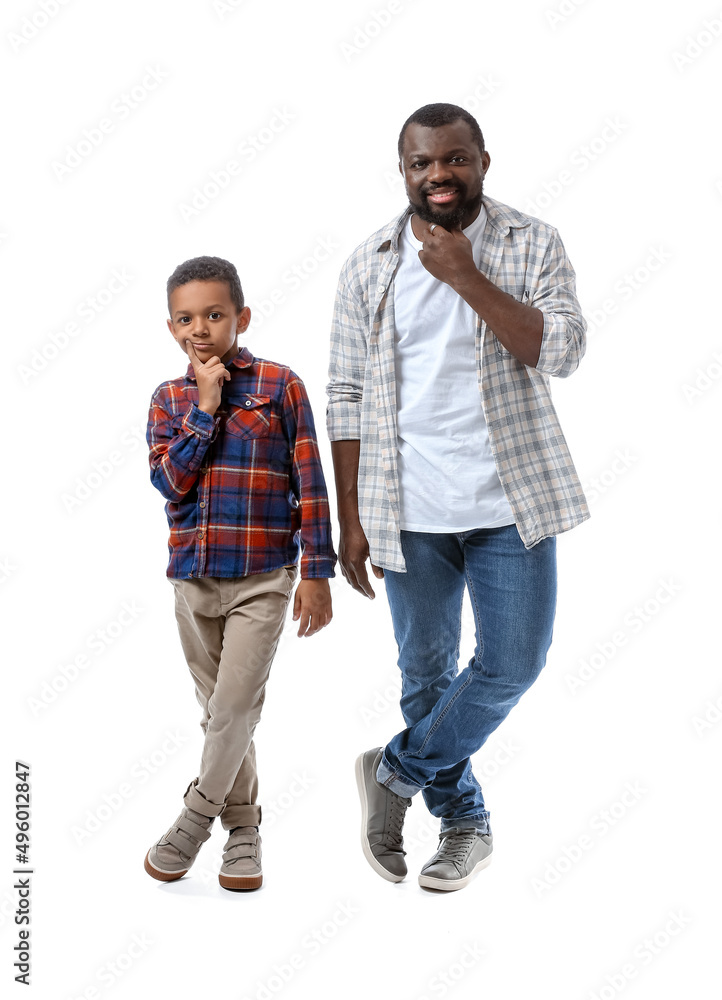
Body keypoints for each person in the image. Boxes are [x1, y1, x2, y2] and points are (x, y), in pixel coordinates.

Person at [327, 103, 589, 892]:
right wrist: (350, 518)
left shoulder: (531, 242)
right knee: (427, 675)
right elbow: (344, 396)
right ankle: (464, 823)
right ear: (403, 170)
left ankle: (394, 770)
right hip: (406, 506)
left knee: (512, 662)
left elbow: (565, 350)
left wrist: (465, 276)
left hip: (513, 501)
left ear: (482, 160)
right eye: (420, 164)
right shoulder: (369, 262)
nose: (438, 175)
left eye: (454, 160)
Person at [145, 256, 335, 891]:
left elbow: (310, 479)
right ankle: (246, 828)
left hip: (262, 576)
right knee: (222, 713)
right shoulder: (168, 399)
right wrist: (204, 406)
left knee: (232, 707)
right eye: (185, 318)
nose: (200, 328)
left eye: (214, 314)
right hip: (192, 577)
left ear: (241, 318)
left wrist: (318, 570)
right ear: (171, 326)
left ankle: (194, 819)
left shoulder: (280, 385)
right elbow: (169, 482)